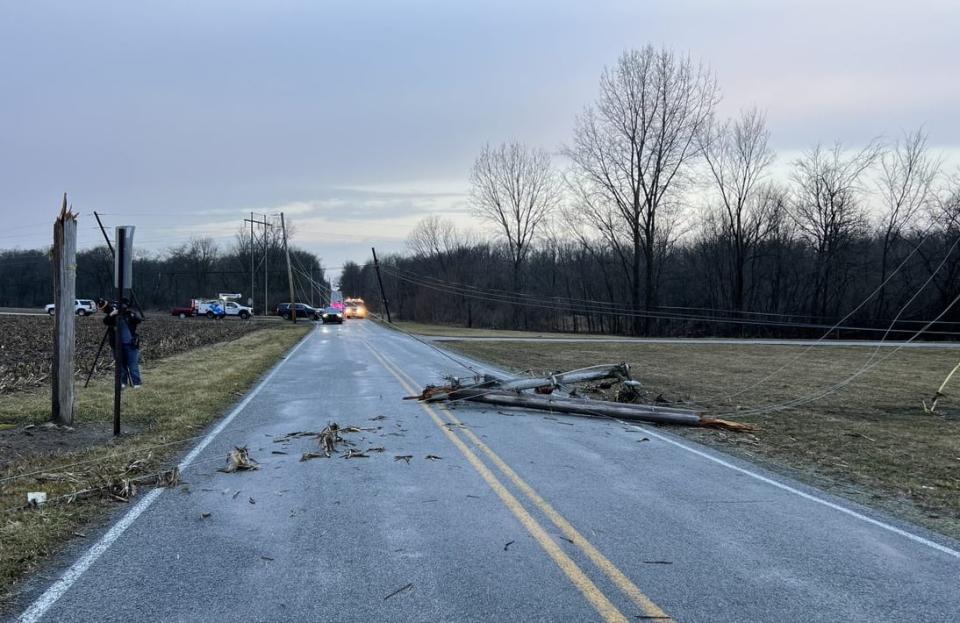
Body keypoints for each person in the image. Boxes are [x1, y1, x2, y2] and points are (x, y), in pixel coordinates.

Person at [98, 297, 143, 388]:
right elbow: (105, 321)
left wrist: (130, 312)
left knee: (133, 364)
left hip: (130, 344)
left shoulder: (129, 314)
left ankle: (136, 383)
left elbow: (139, 319)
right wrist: (112, 314)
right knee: (120, 366)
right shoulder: (113, 315)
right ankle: (123, 382)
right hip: (117, 344)